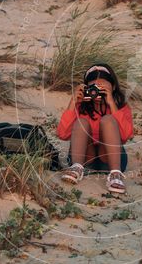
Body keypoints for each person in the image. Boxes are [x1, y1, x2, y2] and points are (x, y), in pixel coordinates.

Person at [56, 63, 133, 194]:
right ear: (86, 88)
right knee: (82, 121)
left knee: (108, 120)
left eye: (103, 87)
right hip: (85, 159)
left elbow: (126, 136)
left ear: (113, 87)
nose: (98, 91)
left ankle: (115, 174)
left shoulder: (121, 107)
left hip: (111, 159)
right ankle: (76, 168)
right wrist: (73, 102)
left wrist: (111, 103)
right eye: (94, 87)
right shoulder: (81, 106)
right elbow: (62, 134)